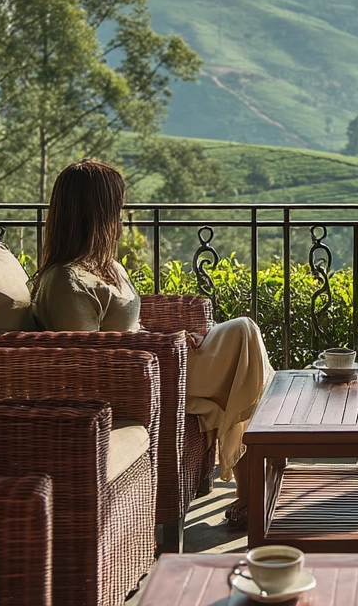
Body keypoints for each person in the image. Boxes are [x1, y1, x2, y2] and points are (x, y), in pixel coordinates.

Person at [31, 158, 273, 529]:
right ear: (94, 213)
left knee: (244, 343)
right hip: (141, 379)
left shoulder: (106, 265)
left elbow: (129, 325)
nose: (122, 219)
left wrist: (175, 338)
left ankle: (251, 490)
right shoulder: (67, 283)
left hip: (164, 357)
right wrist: (165, 347)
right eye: (116, 209)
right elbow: (87, 360)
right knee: (243, 336)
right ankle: (255, 483)